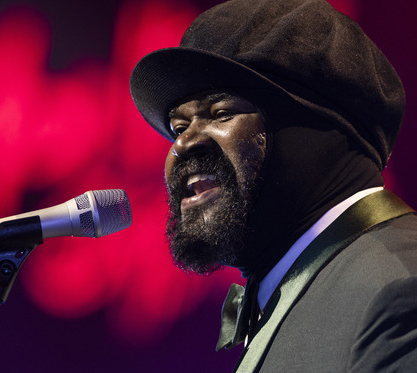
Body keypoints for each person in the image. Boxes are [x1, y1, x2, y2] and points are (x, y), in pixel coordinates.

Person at [129, 0, 417, 371]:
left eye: (221, 113)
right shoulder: (308, 287)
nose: (182, 145)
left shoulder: (398, 291)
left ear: (320, 130)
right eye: (179, 128)